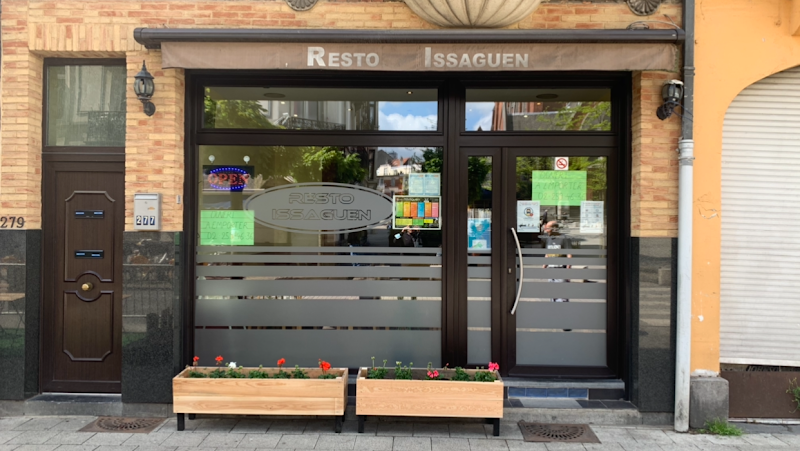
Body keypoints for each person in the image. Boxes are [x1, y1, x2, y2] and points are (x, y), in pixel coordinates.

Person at [540, 220, 572, 303]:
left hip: (561, 270)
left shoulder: (564, 238)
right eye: (545, 228)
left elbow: (569, 255)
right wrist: (543, 267)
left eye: (547, 228)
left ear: (554, 228)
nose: (546, 230)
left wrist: (568, 271)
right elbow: (547, 254)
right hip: (551, 270)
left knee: (562, 294)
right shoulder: (548, 239)